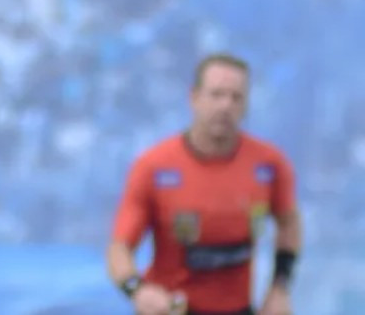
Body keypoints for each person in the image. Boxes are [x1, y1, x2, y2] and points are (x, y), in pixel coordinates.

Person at [107, 54, 300, 315]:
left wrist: (280, 289)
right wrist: (138, 290)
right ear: (194, 97)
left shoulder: (270, 164)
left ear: (246, 105)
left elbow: (289, 223)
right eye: (216, 94)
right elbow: (119, 249)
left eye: (236, 97)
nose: (225, 106)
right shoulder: (153, 166)